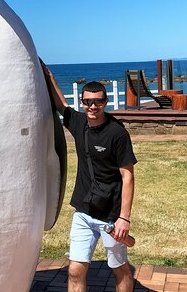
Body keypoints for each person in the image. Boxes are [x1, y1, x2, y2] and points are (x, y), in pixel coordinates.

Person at [44, 66, 136, 292]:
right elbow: (61, 106)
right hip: (83, 212)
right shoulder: (78, 123)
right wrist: (49, 76)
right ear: (82, 102)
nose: (92, 107)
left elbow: (128, 177)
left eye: (97, 102)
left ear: (105, 103)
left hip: (110, 217)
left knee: (119, 268)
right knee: (75, 270)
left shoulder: (117, 133)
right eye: (87, 102)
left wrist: (124, 218)